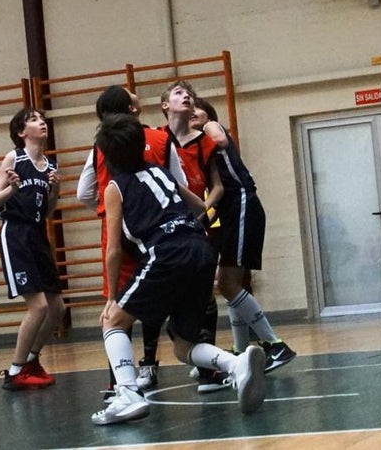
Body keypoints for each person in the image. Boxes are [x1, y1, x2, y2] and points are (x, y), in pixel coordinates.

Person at [90, 113, 267, 426]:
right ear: (141, 145)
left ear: (105, 155)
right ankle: (236, 364)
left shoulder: (115, 188)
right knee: (183, 346)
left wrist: (112, 297)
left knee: (112, 320)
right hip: (200, 249)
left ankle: (128, 394)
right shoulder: (160, 172)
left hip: (166, 252)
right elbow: (200, 206)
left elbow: (114, 249)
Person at [75, 84, 187, 396]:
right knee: (151, 297)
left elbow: (83, 193)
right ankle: (150, 363)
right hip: (158, 231)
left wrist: (106, 209)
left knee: (115, 308)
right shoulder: (160, 138)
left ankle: (118, 383)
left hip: (117, 230)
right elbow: (180, 185)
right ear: (132, 109)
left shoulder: (100, 145)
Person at [193, 97, 296, 372]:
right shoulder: (202, 153)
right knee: (230, 285)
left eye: (196, 111)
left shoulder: (211, 129)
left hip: (243, 204)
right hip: (231, 211)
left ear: (208, 116)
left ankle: (276, 345)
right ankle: (240, 350)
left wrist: (196, 137)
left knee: (228, 284)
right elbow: (216, 196)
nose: (192, 115)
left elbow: (219, 139)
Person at [160, 81, 230, 393]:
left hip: (198, 224)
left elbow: (218, 186)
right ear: (165, 105)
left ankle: (208, 367)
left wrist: (204, 210)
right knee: (171, 297)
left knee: (204, 295)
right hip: (167, 227)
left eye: (188, 93)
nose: (186, 95)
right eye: (178, 93)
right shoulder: (157, 140)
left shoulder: (204, 142)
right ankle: (182, 355)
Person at [0, 107, 65, 390]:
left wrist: (55, 191)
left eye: (42, 118)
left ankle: (31, 361)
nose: (42, 122)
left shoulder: (51, 166)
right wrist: (11, 189)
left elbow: (48, 212)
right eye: (34, 120)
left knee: (57, 308)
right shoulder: (15, 158)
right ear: (22, 132)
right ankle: (14, 371)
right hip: (16, 233)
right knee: (39, 306)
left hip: (37, 233)